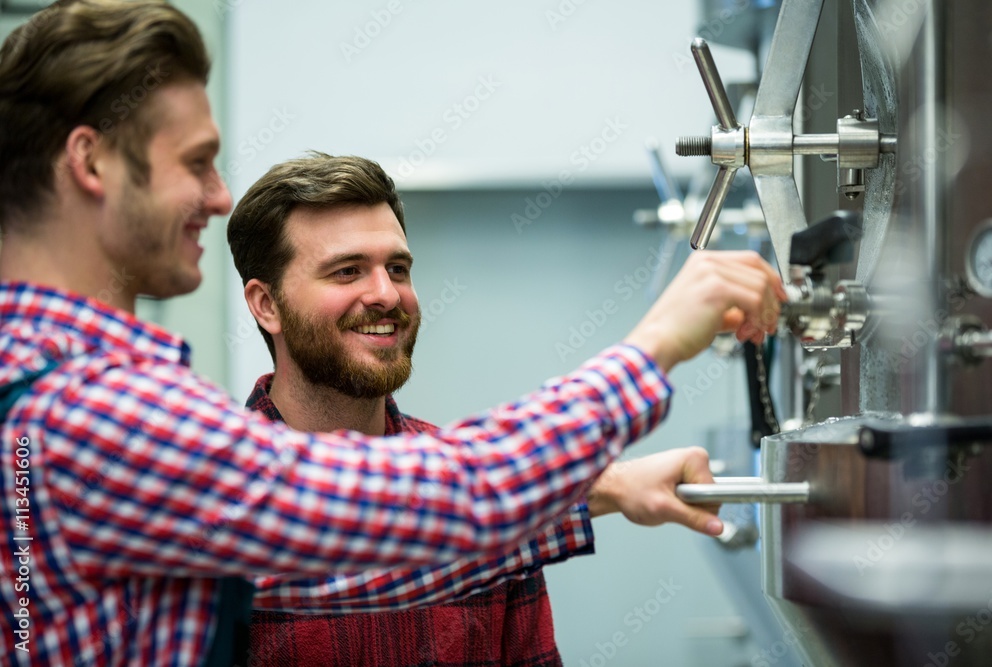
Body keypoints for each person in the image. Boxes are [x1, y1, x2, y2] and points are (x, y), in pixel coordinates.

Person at [0, 1, 786, 666]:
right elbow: (403, 512)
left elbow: (352, 536)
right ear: (91, 162)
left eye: (397, 266)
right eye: (198, 161)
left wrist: (596, 487)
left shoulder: (37, 383)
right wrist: (652, 347)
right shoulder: (89, 409)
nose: (218, 193)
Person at [227, 152, 745, 666]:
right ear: (266, 305)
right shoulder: (215, 489)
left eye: (399, 268)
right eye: (346, 272)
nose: (387, 294)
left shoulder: (494, 494)